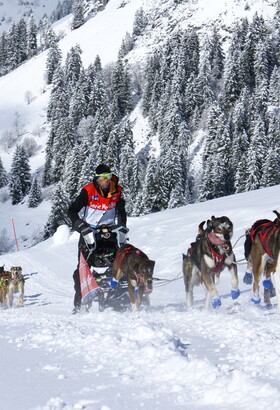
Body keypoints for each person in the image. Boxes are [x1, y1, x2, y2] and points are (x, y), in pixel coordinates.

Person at [68, 164, 127, 313]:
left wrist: (122, 226)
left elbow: (121, 212)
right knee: (83, 267)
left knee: (120, 262)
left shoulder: (117, 191)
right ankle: (79, 303)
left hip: (109, 232)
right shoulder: (88, 191)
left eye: (108, 177)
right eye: (102, 177)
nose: (105, 180)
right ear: (96, 178)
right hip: (89, 232)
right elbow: (72, 211)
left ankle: (118, 299)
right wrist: (81, 226)